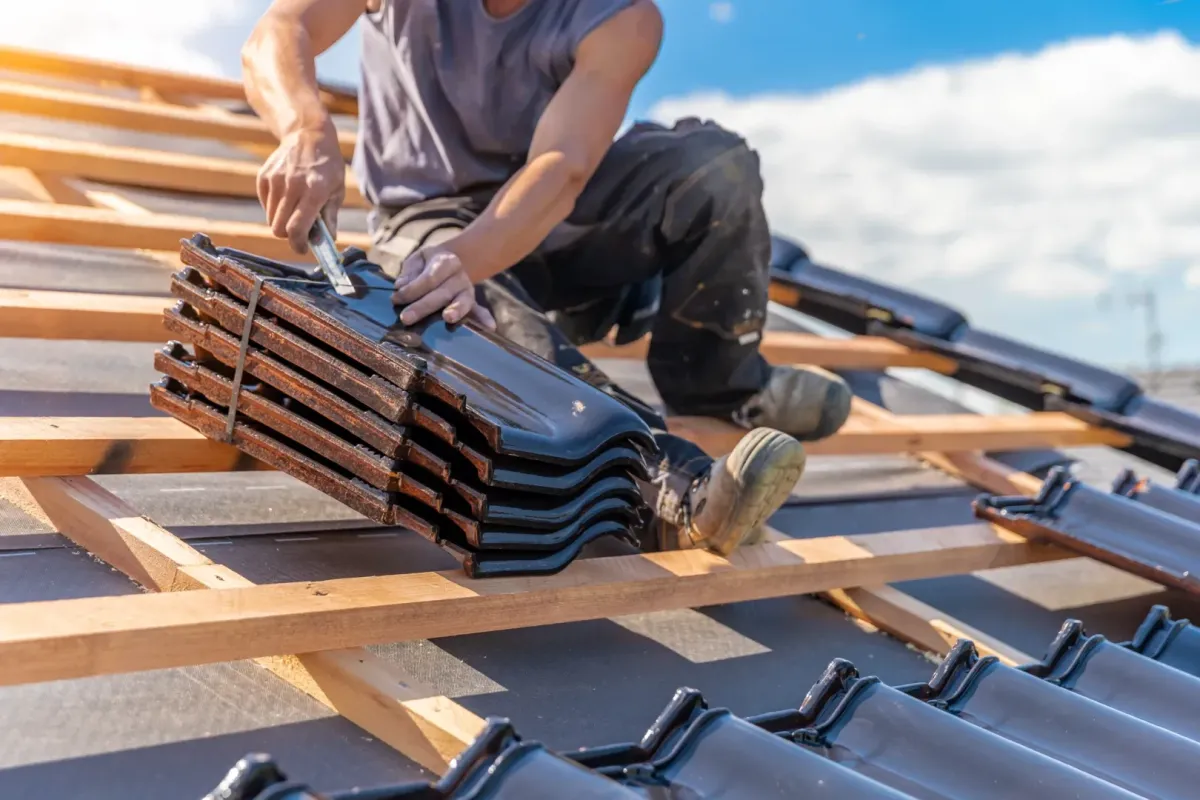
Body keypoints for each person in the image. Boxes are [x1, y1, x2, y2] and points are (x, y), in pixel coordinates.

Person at [240, 0, 853, 555]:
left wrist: (468, 259)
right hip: (428, 216)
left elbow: (561, 167)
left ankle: (721, 388)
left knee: (715, 166)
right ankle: (666, 489)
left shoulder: (622, 16)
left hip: (557, 217)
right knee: (448, 301)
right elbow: (282, 28)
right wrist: (305, 130)